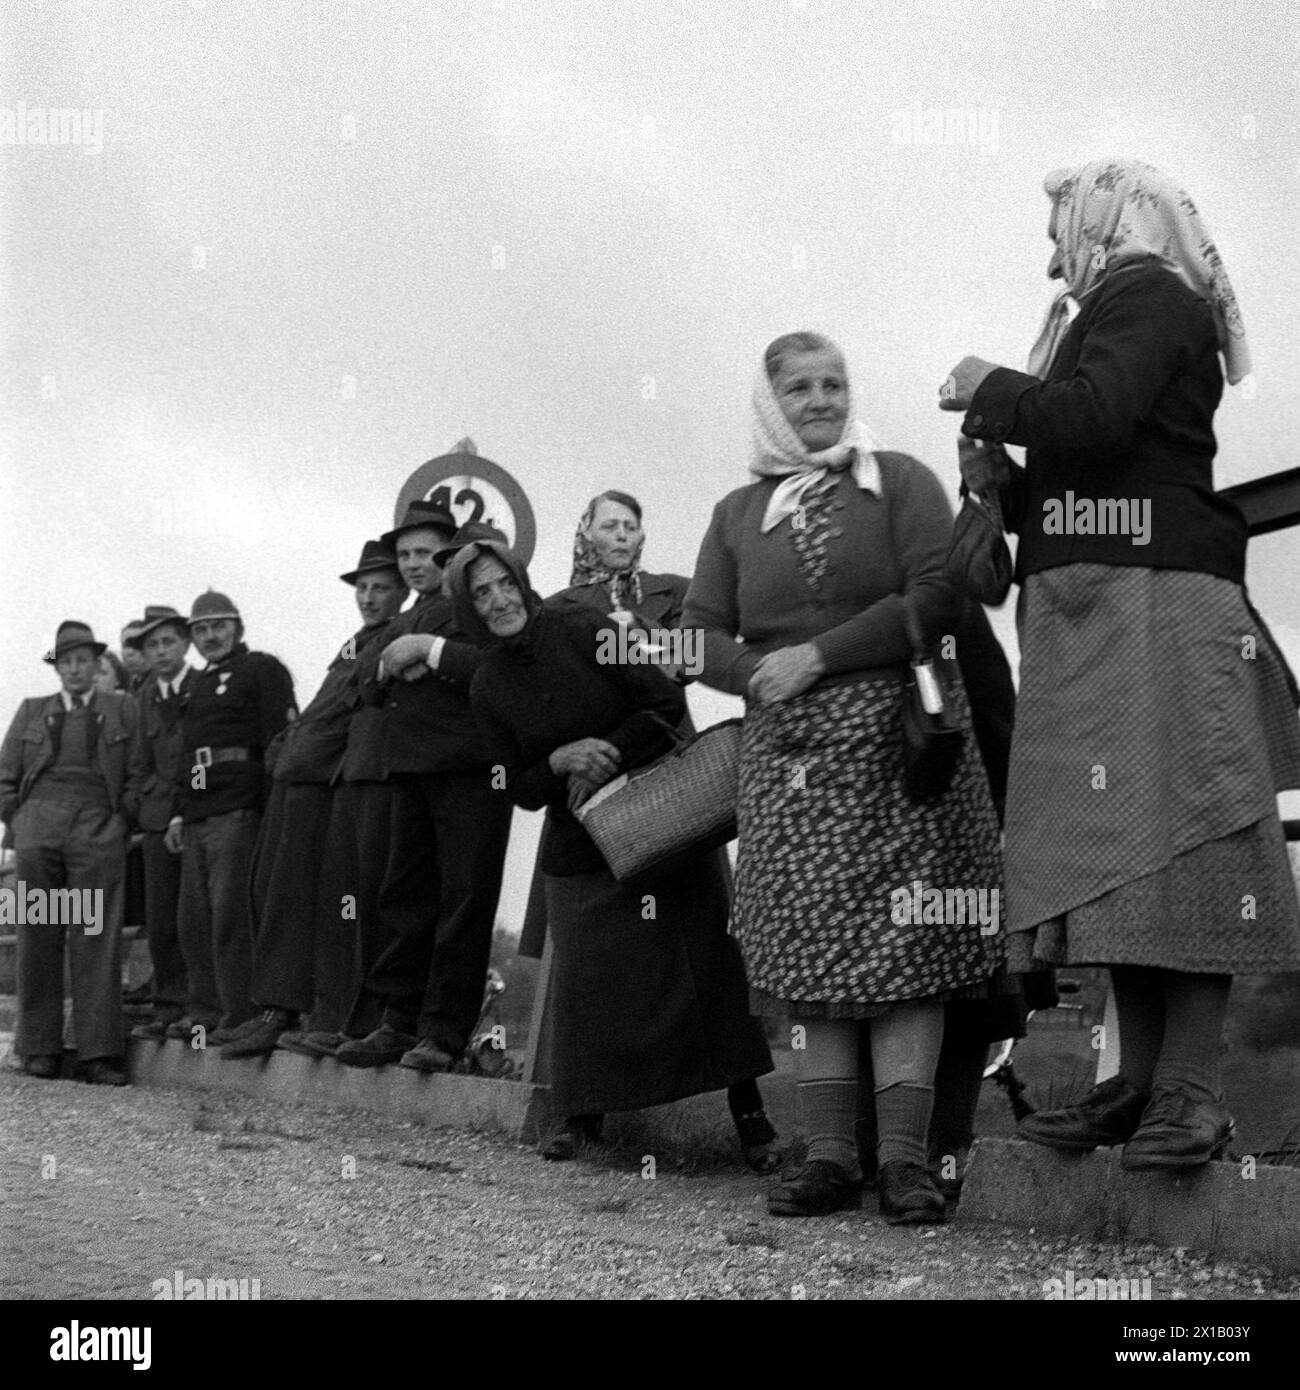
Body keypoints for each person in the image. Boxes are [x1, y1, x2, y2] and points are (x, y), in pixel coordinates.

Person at [941, 158, 1300, 1170]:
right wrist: (1004, 487)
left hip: (1155, 601)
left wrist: (993, 390)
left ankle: (1188, 1093)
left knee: (1187, 845)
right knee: (1125, 857)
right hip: (1104, 604)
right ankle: (1145, 1085)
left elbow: (1097, 417)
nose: (1051, 247)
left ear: (1110, 218)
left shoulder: (1148, 293)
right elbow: (1095, 456)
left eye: (1061, 224)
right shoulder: (1110, 306)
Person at [683, 332, 1004, 1223]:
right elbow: (700, 630)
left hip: (903, 747)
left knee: (909, 950)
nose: (820, 399)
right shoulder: (734, 514)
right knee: (816, 954)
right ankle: (828, 1159)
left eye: (834, 384)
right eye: (799, 388)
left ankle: (904, 1166)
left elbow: (938, 592)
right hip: (791, 764)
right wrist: (753, 672)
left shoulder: (897, 480)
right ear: (769, 402)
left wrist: (816, 655)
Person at [448, 540, 778, 1167]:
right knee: (589, 984)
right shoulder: (486, 686)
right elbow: (512, 785)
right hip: (580, 845)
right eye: (481, 594)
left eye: (503, 584)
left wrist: (608, 751)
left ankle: (754, 1125)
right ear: (468, 608)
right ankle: (583, 1119)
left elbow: (663, 701)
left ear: (522, 581)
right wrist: (556, 760)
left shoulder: (585, 627)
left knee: (703, 966)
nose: (499, 600)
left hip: (661, 818)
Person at [336, 503, 513, 1073]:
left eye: (432, 554)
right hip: (408, 769)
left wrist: (428, 655)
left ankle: (443, 1031)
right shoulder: (402, 619)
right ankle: (398, 1020)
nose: (419, 565)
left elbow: (498, 668)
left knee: (463, 901)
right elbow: (362, 682)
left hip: (473, 770)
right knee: (404, 897)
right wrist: (394, 661)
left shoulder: (487, 604)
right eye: (408, 554)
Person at [223, 540, 408, 1058]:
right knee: (275, 892)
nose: (369, 597)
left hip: (325, 780)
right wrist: (288, 746)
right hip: (299, 775)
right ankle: (276, 1011)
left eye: (381, 588)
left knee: (324, 903)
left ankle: (309, 1015)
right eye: (364, 588)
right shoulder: (358, 639)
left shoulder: (394, 636)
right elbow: (322, 708)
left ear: (400, 592)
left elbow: (345, 718)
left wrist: (294, 751)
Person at [0, 621, 143, 1085]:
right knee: (37, 933)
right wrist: (20, 823)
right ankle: (38, 1048)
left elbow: (139, 772)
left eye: (84, 660)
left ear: (97, 664)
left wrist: (122, 822)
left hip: (97, 826)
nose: (76, 669)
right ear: (57, 668)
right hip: (38, 828)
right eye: (67, 661)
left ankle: (97, 1053)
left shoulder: (122, 709)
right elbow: (5, 777)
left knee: (95, 933)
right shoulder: (31, 710)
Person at [166, 590, 296, 1044]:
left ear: (237, 627)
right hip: (202, 808)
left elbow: (278, 740)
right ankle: (204, 1012)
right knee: (194, 920)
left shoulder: (260, 668)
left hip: (239, 808)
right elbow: (191, 756)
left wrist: (267, 809)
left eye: (218, 626)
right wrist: (184, 813)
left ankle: (240, 1012)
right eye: (200, 630)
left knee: (230, 916)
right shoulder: (198, 684)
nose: (210, 636)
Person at [126, 607, 196, 1039]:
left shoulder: (203, 688)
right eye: (152, 645)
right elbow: (137, 765)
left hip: (195, 815)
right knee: (161, 917)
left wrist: (185, 807)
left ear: (185, 643)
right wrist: (146, 806)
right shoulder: (143, 699)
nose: (161, 651)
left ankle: (204, 1008)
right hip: (155, 822)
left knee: (197, 916)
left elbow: (200, 760)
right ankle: (168, 1007)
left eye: (169, 641)